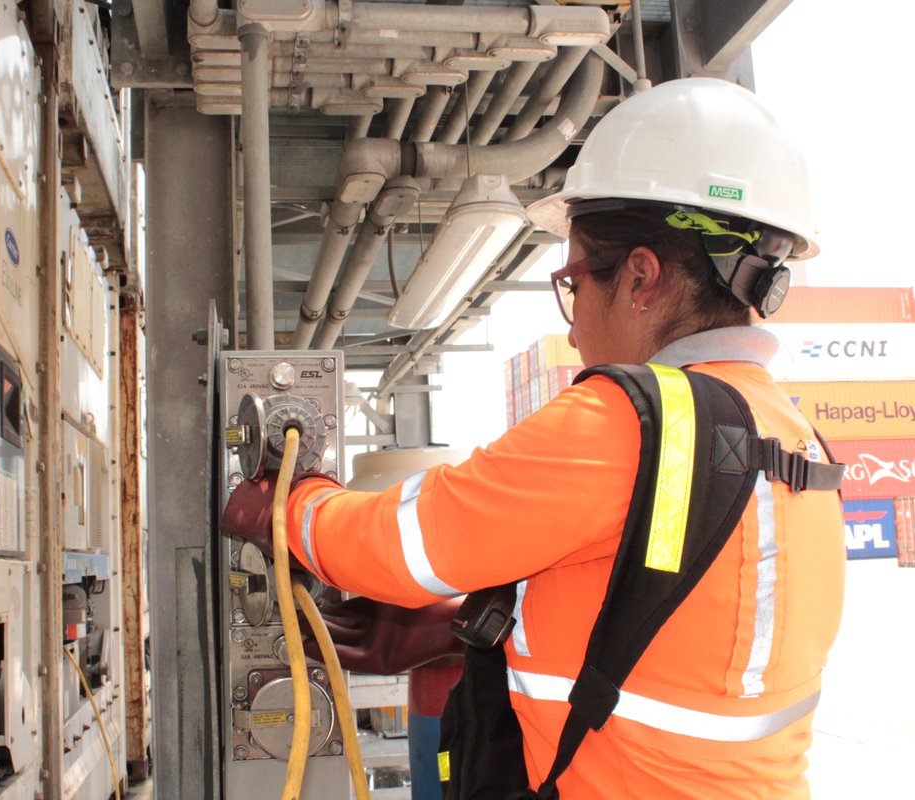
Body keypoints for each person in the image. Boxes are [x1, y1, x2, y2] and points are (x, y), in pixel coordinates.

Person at [223, 77, 845, 799]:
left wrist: (288, 505)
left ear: (641, 278)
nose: (573, 329)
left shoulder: (628, 420)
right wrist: (475, 621)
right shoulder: (795, 438)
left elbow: (397, 546)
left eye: (573, 284)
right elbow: (671, 603)